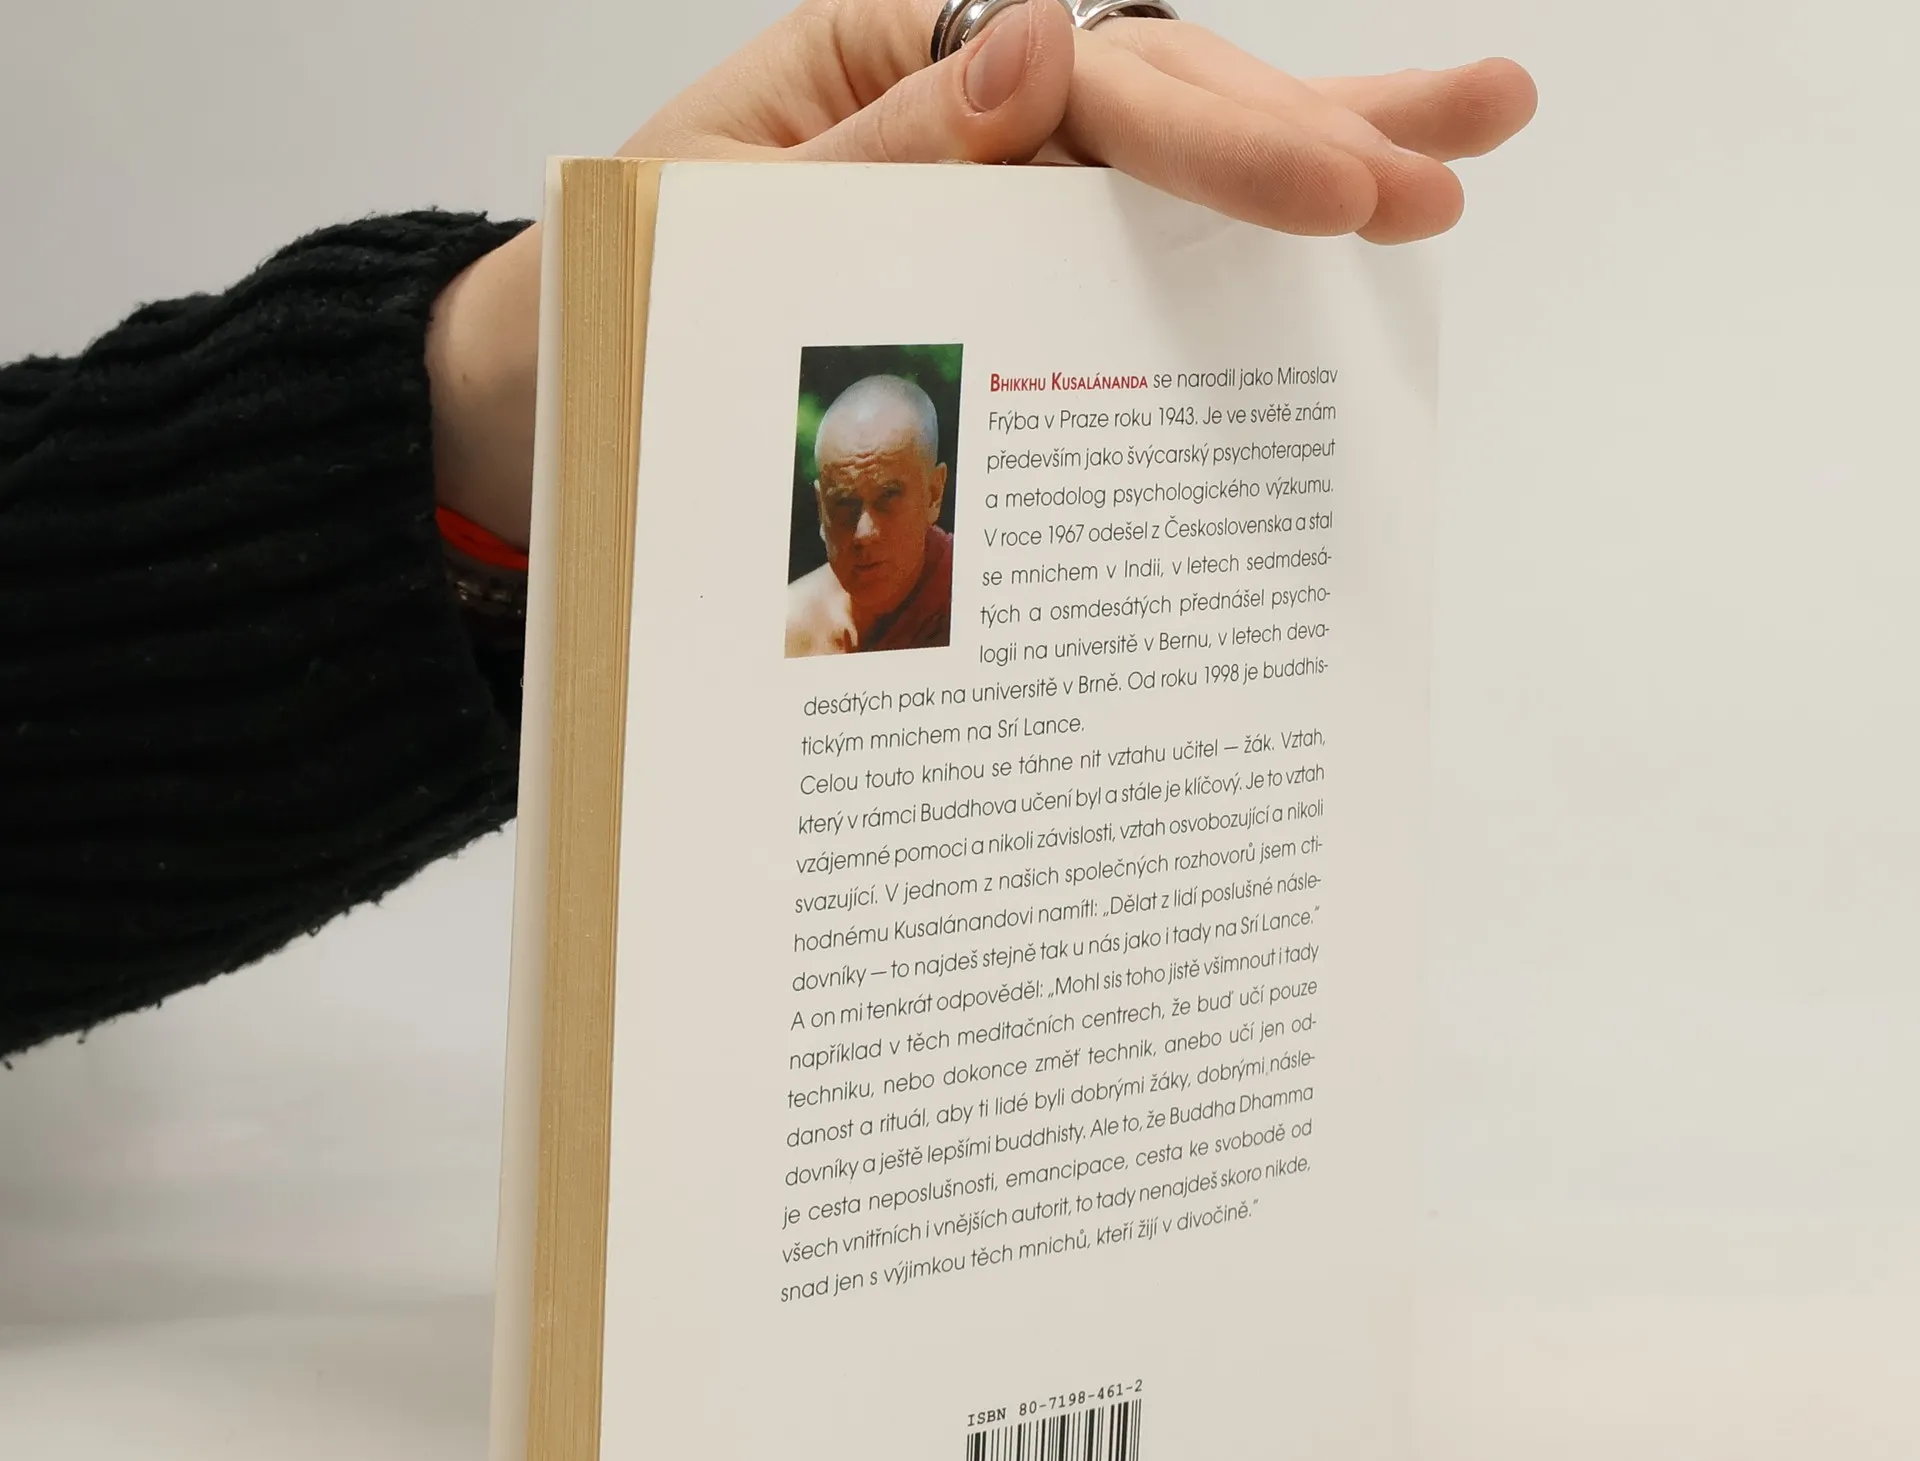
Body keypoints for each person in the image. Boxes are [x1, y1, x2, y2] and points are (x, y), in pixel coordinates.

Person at [0, 0, 1535, 1061]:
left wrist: (474, 412)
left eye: (887, 496)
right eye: (834, 499)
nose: (855, 528)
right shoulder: (811, 632)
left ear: (943, 494)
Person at [787, 374, 953, 657]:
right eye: (844, 502)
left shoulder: (975, 596)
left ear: (934, 494)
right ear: (821, 508)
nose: (863, 533)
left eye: (888, 496)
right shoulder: (790, 629)